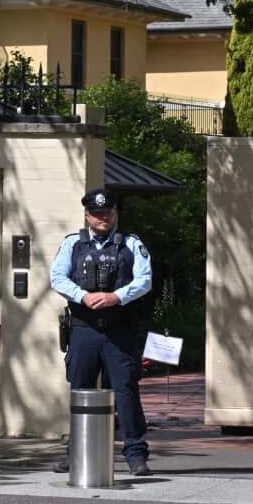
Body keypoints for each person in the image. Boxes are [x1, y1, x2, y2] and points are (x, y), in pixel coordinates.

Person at [49, 187, 153, 476]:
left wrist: (116, 297)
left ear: (115, 213)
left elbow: (145, 280)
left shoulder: (131, 244)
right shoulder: (72, 243)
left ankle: (136, 455)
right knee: (80, 391)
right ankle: (76, 454)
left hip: (119, 331)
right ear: (87, 216)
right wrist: (82, 295)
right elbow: (57, 276)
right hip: (84, 330)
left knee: (126, 391)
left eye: (107, 212)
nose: (102, 218)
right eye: (96, 214)